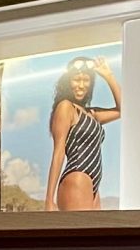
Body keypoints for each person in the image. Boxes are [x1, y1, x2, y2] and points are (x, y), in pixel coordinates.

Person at [44, 58, 121, 211]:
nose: (81, 85)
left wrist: (108, 75)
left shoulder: (92, 113)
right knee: (79, 227)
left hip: (93, 184)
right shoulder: (66, 107)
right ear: (68, 82)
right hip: (77, 176)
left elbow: (123, 109)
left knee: (94, 228)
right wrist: (49, 199)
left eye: (86, 80)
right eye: (76, 80)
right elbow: (59, 151)